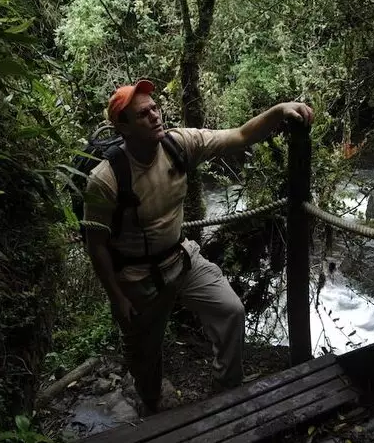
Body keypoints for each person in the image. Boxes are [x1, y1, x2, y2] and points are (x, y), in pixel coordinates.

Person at [83, 79, 313, 415]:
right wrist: (117, 297)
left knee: (230, 310)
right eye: (142, 113)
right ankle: (152, 406)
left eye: (154, 108)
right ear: (123, 126)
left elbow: (240, 136)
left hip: (181, 256)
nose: (154, 115)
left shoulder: (179, 144)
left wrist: (279, 111)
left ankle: (227, 388)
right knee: (145, 355)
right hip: (137, 276)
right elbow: (96, 245)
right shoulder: (105, 179)